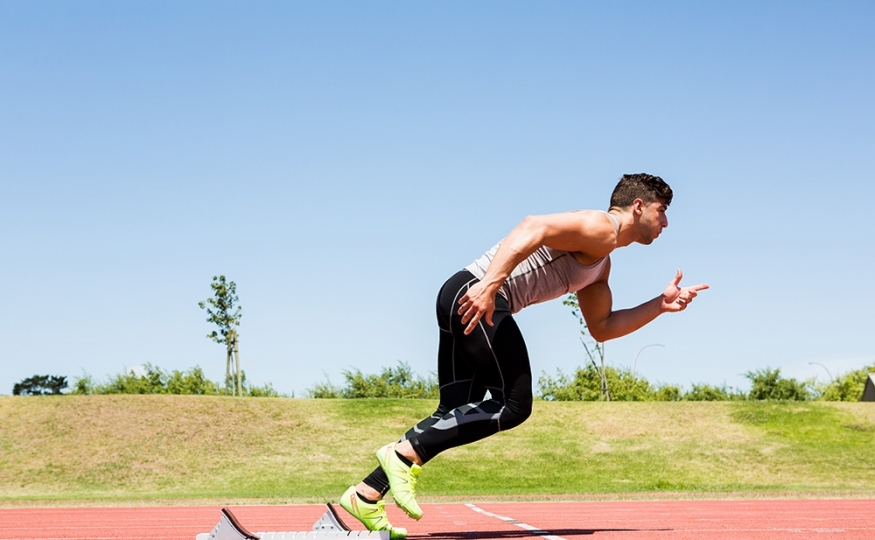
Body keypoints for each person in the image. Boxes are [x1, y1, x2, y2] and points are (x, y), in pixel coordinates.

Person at [338, 173, 708, 538]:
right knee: (514, 405)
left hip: (462, 294)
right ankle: (402, 455)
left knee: (453, 412)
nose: (666, 222)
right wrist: (490, 286)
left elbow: (603, 327)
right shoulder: (602, 227)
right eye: (662, 211)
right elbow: (533, 226)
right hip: (479, 296)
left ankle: (366, 494)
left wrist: (659, 305)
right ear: (638, 206)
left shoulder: (602, 261)